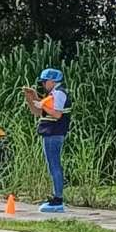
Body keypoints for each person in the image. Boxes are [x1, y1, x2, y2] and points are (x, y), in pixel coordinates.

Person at [33, 68, 72, 213]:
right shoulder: (53, 93)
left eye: (44, 81)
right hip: (50, 132)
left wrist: (42, 105)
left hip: (54, 133)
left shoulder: (59, 93)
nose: (43, 84)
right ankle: (56, 196)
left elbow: (57, 114)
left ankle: (58, 199)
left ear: (52, 81)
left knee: (54, 165)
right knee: (52, 165)